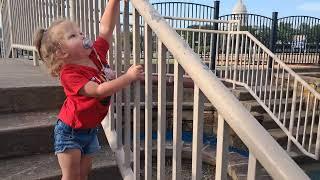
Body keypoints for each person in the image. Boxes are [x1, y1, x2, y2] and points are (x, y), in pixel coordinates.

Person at [33, 0, 144, 179]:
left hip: (90, 130)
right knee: (71, 176)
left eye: (80, 32)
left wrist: (113, 2)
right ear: (62, 53)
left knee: (83, 175)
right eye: (73, 36)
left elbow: (106, 29)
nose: (82, 34)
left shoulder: (96, 55)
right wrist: (128, 77)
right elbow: (99, 90)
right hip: (70, 132)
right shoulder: (69, 74)